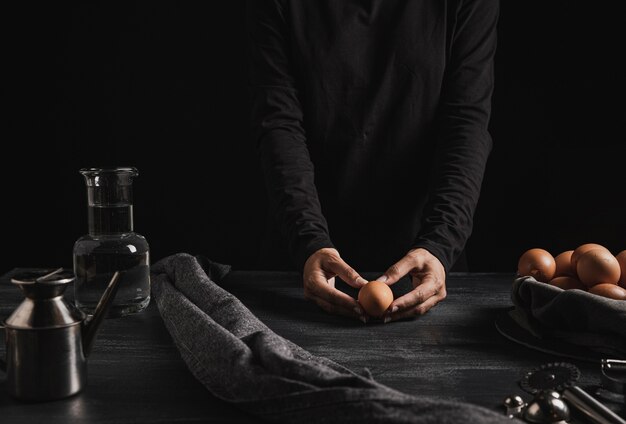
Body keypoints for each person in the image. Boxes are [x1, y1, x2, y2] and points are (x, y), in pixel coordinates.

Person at [245, 0, 498, 323]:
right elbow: (278, 123)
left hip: (426, 268)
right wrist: (309, 242)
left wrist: (440, 244)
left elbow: (466, 123)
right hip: (301, 270)